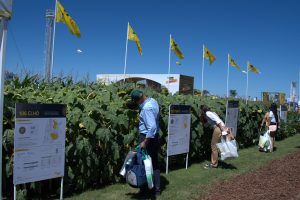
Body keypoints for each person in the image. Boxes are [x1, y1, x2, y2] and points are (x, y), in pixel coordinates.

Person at [130, 90, 161, 197]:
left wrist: (145, 142)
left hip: (147, 137)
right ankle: (157, 190)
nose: (137, 103)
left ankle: (144, 191)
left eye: (136, 101)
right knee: (155, 164)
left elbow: (151, 127)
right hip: (155, 136)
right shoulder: (153, 101)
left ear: (139, 99)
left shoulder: (146, 108)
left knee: (143, 164)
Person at [200, 105, 227, 169]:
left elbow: (218, 120)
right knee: (216, 146)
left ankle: (214, 164)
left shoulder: (208, 113)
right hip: (219, 128)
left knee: (213, 146)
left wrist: (223, 130)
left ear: (202, 110)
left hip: (218, 129)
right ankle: (214, 162)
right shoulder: (211, 113)